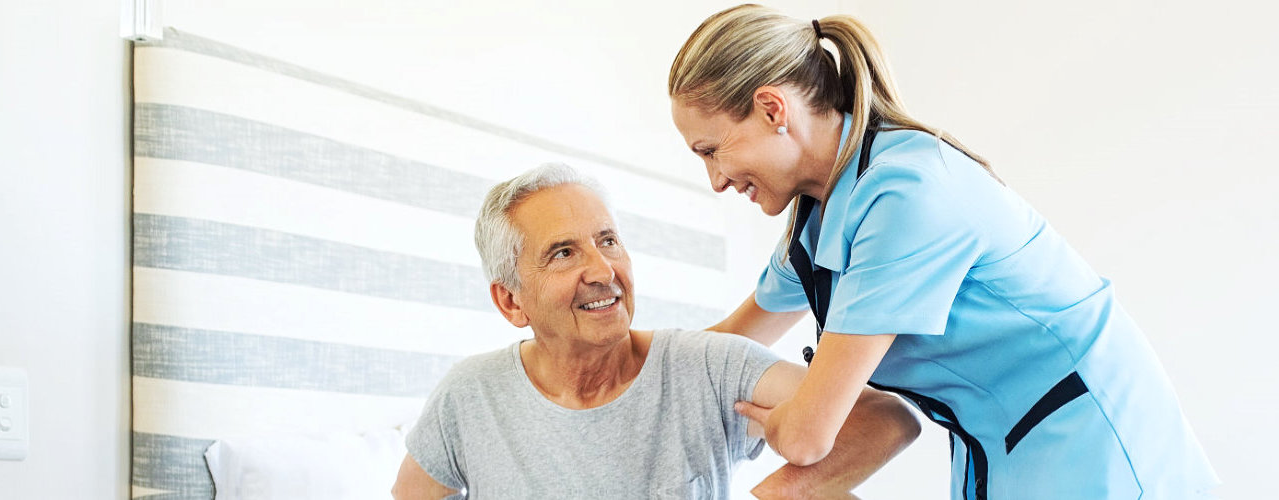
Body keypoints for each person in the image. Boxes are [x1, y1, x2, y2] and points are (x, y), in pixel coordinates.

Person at [666, 5, 1221, 499]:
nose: (715, 179)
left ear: (771, 109)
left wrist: (780, 422)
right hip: (997, 443)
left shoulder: (907, 193)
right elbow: (729, 341)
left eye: (711, 150)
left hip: (1091, 441)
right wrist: (608, 373)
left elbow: (810, 436)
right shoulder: (817, 218)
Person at [393, 163, 921, 500]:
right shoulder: (470, 395)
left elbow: (883, 420)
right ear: (511, 301)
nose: (602, 270)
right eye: (563, 252)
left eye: (608, 241)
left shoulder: (709, 367)